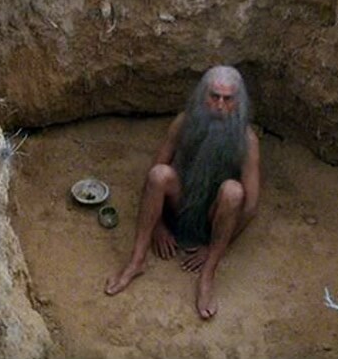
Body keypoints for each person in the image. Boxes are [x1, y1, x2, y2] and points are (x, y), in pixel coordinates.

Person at [104, 66, 260, 320]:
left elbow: (250, 205)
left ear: (238, 101)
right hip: (182, 203)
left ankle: (207, 275)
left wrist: (212, 246)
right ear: (203, 95)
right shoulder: (184, 122)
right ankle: (136, 260)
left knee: (233, 192)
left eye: (228, 99)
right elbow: (156, 169)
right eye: (214, 96)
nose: (220, 105)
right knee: (159, 175)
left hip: (215, 216)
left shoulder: (247, 139)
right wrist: (158, 225)